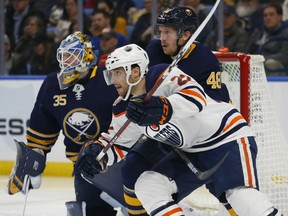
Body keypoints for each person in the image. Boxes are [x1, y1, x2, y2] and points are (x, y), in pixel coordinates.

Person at [74, 43, 282, 216]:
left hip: (226, 138)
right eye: (111, 74)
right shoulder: (122, 108)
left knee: (239, 196)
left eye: (117, 73)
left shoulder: (162, 75)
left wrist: (163, 108)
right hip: (190, 154)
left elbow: (196, 98)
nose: (113, 81)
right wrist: (98, 155)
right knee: (148, 183)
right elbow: (119, 143)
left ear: (135, 71)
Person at [126, 6, 232, 215]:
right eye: (161, 31)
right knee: (132, 167)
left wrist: (167, 107)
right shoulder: (155, 51)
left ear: (185, 35)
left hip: (205, 134)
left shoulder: (203, 59)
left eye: (168, 32)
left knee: (222, 185)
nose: (162, 37)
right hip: (166, 130)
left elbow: (212, 108)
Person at [7, 31, 119, 216]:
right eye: (64, 55)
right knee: (91, 212)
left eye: (72, 55)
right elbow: (42, 130)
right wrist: (33, 159)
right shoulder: (52, 84)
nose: (66, 60)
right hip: (84, 166)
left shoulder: (108, 79)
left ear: (87, 56)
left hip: (119, 162)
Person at [247, 3, 288, 75]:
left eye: (271, 14)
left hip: (279, 72)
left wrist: (261, 59)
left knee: (271, 63)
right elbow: (247, 52)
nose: (268, 18)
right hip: (256, 67)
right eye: (265, 15)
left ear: (280, 17)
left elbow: (285, 56)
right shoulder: (258, 33)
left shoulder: (286, 33)